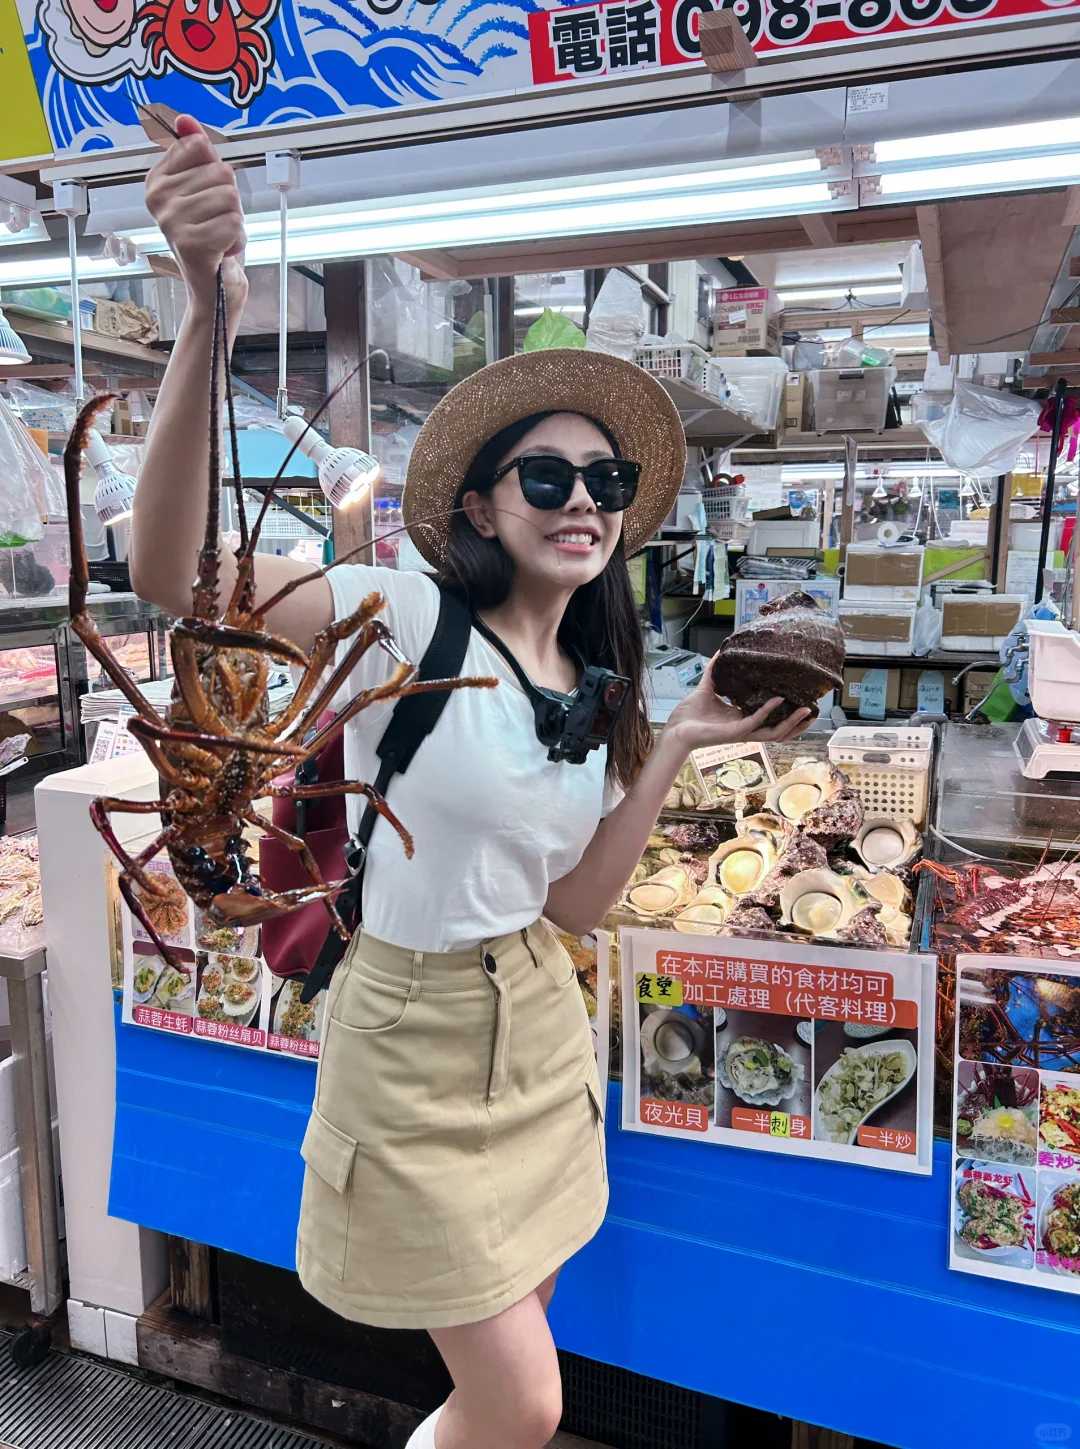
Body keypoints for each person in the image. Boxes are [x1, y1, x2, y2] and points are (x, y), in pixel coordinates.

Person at [132, 116, 812, 1449]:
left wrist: (674, 741)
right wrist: (206, 318)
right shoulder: (398, 609)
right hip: (415, 1034)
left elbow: (571, 902)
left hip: (544, 1036)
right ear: (484, 507)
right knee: (526, 1397)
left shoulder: (598, 683)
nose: (582, 500)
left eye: (603, 480)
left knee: (519, 1356)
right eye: (545, 475)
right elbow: (176, 575)